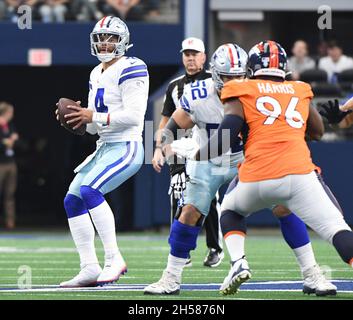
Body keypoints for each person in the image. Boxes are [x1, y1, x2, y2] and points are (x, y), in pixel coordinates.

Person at [145, 43, 335, 296]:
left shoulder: (254, 93)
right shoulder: (198, 93)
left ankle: (312, 273)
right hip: (209, 161)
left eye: (238, 76)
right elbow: (173, 125)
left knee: (283, 206)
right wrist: (163, 146)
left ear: (247, 73)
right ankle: (171, 278)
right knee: (189, 212)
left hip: (247, 157)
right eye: (226, 77)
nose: (233, 81)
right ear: (214, 74)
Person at [55, 16, 149, 287]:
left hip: (127, 145)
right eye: (100, 38)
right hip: (104, 147)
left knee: (90, 190)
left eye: (111, 38)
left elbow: (133, 117)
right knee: (72, 200)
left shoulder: (133, 66)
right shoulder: (96, 72)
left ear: (123, 41)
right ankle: (89, 267)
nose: (105, 43)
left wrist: (92, 114)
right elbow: (95, 128)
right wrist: (78, 119)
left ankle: (114, 258)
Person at [152, 37, 224, 268]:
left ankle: (215, 246)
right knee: (177, 189)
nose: (191, 58)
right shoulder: (174, 86)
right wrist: (157, 149)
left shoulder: (216, 82)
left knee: (209, 196)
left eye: (195, 54)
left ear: (204, 57)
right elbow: (165, 121)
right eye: (187, 54)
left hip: (212, 143)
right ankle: (180, 248)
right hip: (182, 144)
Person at [0, 102, 18, 229]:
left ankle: (10, 222)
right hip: (1, 163)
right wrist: (4, 143)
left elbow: (13, 142)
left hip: (10, 162)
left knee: (9, 193)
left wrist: (12, 140)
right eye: (10, 112)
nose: (12, 115)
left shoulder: (10, 126)